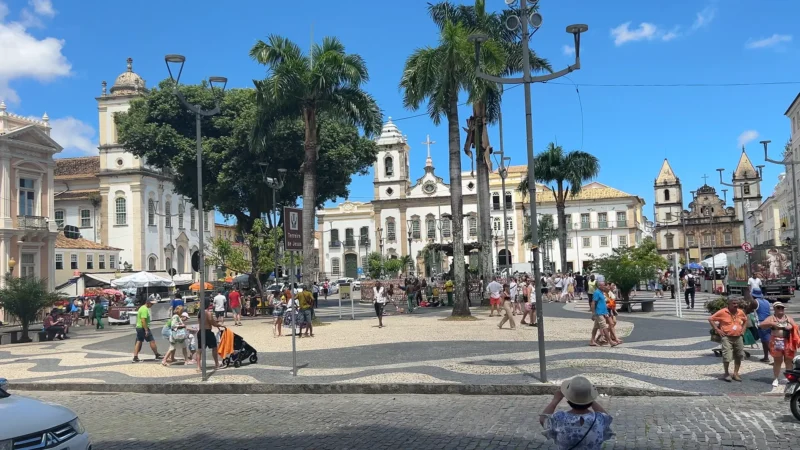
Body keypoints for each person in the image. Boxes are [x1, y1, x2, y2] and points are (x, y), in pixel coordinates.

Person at [539, 376, 614, 450]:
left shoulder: (559, 418)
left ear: (568, 399)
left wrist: (554, 401)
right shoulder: (599, 419)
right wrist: (588, 398)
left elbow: (543, 420)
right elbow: (607, 419)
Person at [759, 302, 800, 387]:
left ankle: (789, 378)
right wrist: (771, 324)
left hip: (788, 342)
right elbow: (761, 325)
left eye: (782, 308)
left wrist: (791, 326)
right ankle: (775, 378)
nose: (781, 309)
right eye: (778, 308)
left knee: (788, 360)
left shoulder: (788, 318)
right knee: (778, 361)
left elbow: (796, 326)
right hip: (776, 341)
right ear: (774, 309)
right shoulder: (771, 318)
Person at [709, 297, 747, 382]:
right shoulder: (723, 312)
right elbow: (711, 319)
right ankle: (726, 373)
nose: (736, 305)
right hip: (727, 337)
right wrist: (717, 329)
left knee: (739, 355)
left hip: (738, 337)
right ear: (729, 304)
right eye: (733, 303)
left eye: (737, 303)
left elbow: (745, 320)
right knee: (727, 356)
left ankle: (736, 373)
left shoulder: (740, 312)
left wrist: (743, 330)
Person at [132, 297, 162, 363]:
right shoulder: (144, 309)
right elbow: (143, 320)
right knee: (151, 341)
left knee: (139, 341)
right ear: (148, 303)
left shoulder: (142, 308)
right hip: (143, 327)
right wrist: (146, 330)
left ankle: (135, 356)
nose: (152, 305)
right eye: (151, 304)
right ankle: (156, 354)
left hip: (139, 327)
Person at [197, 299, 222, 372]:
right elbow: (212, 322)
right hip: (208, 331)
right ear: (208, 304)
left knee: (199, 350)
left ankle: (198, 367)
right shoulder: (208, 313)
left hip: (201, 331)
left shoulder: (199, 313)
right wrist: (219, 324)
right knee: (214, 348)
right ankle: (216, 364)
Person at [754, 290, 773, 363]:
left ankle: (775, 358)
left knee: (766, 342)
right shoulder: (766, 302)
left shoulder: (755, 302)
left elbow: (749, 310)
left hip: (761, 323)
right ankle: (766, 357)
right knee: (764, 341)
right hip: (768, 322)